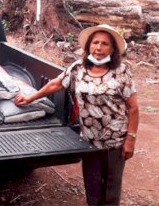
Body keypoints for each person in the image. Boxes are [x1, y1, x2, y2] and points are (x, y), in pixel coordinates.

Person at [14, 24, 139, 206]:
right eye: (95, 42)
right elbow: (55, 84)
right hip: (88, 140)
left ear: (112, 49)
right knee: (92, 186)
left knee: (111, 189)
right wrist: (30, 97)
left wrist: (131, 139)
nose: (98, 47)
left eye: (104, 44)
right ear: (88, 46)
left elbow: (133, 108)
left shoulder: (121, 71)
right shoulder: (78, 68)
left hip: (115, 141)